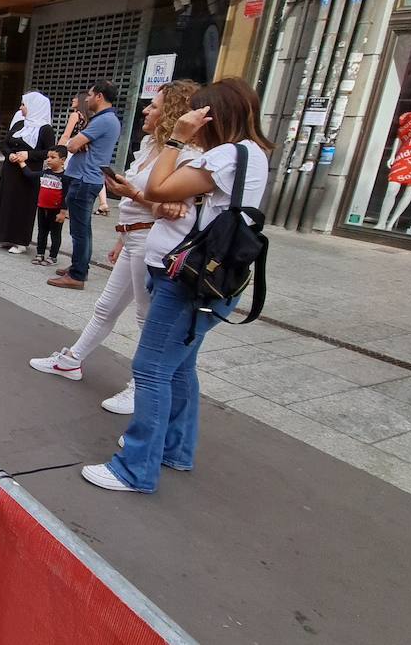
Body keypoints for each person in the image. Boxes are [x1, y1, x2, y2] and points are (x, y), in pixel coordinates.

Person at [82, 77, 272, 494]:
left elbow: (158, 187)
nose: (193, 122)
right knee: (180, 367)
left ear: (212, 116)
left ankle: (135, 468)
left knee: (150, 370)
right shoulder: (253, 154)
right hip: (216, 274)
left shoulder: (225, 156)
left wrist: (175, 140)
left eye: (199, 115)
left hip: (188, 278)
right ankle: (175, 448)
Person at [30, 80, 201, 415]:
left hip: (153, 242)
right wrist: (123, 235)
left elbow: (171, 208)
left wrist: (132, 195)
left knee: (146, 318)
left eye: (155, 105)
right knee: (107, 307)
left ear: (173, 113)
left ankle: (141, 387)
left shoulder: (186, 156)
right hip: (135, 236)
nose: (147, 110)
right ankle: (72, 360)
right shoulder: (154, 146)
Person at [51, 81, 122, 290]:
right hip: (87, 178)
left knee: (79, 230)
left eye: (90, 95)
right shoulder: (105, 119)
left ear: (99, 96)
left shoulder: (104, 120)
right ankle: (79, 266)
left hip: (84, 179)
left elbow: (71, 145)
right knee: (83, 229)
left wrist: (79, 143)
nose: (87, 99)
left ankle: (77, 274)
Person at [0, 92, 55, 254]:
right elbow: (5, 143)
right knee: (7, 202)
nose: (21, 108)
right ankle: (3, 236)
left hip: (28, 173)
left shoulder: (45, 129)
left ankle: (20, 241)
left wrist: (28, 155)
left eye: (24, 105)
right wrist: (10, 154)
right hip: (10, 171)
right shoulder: (20, 124)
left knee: (22, 205)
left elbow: (49, 152)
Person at [21, 146, 70, 266]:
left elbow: (66, 196)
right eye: (48, 157)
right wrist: (21, 162)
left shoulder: (65, 177)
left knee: (55, 234)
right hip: (42, 208)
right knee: (42, 232)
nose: (48, 160)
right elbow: (30, 175)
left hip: (56, 210)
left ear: (63, 160)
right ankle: (40, 253)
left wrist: (63, 212)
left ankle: (53, 256)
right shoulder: (44, 173)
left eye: (53, 157)